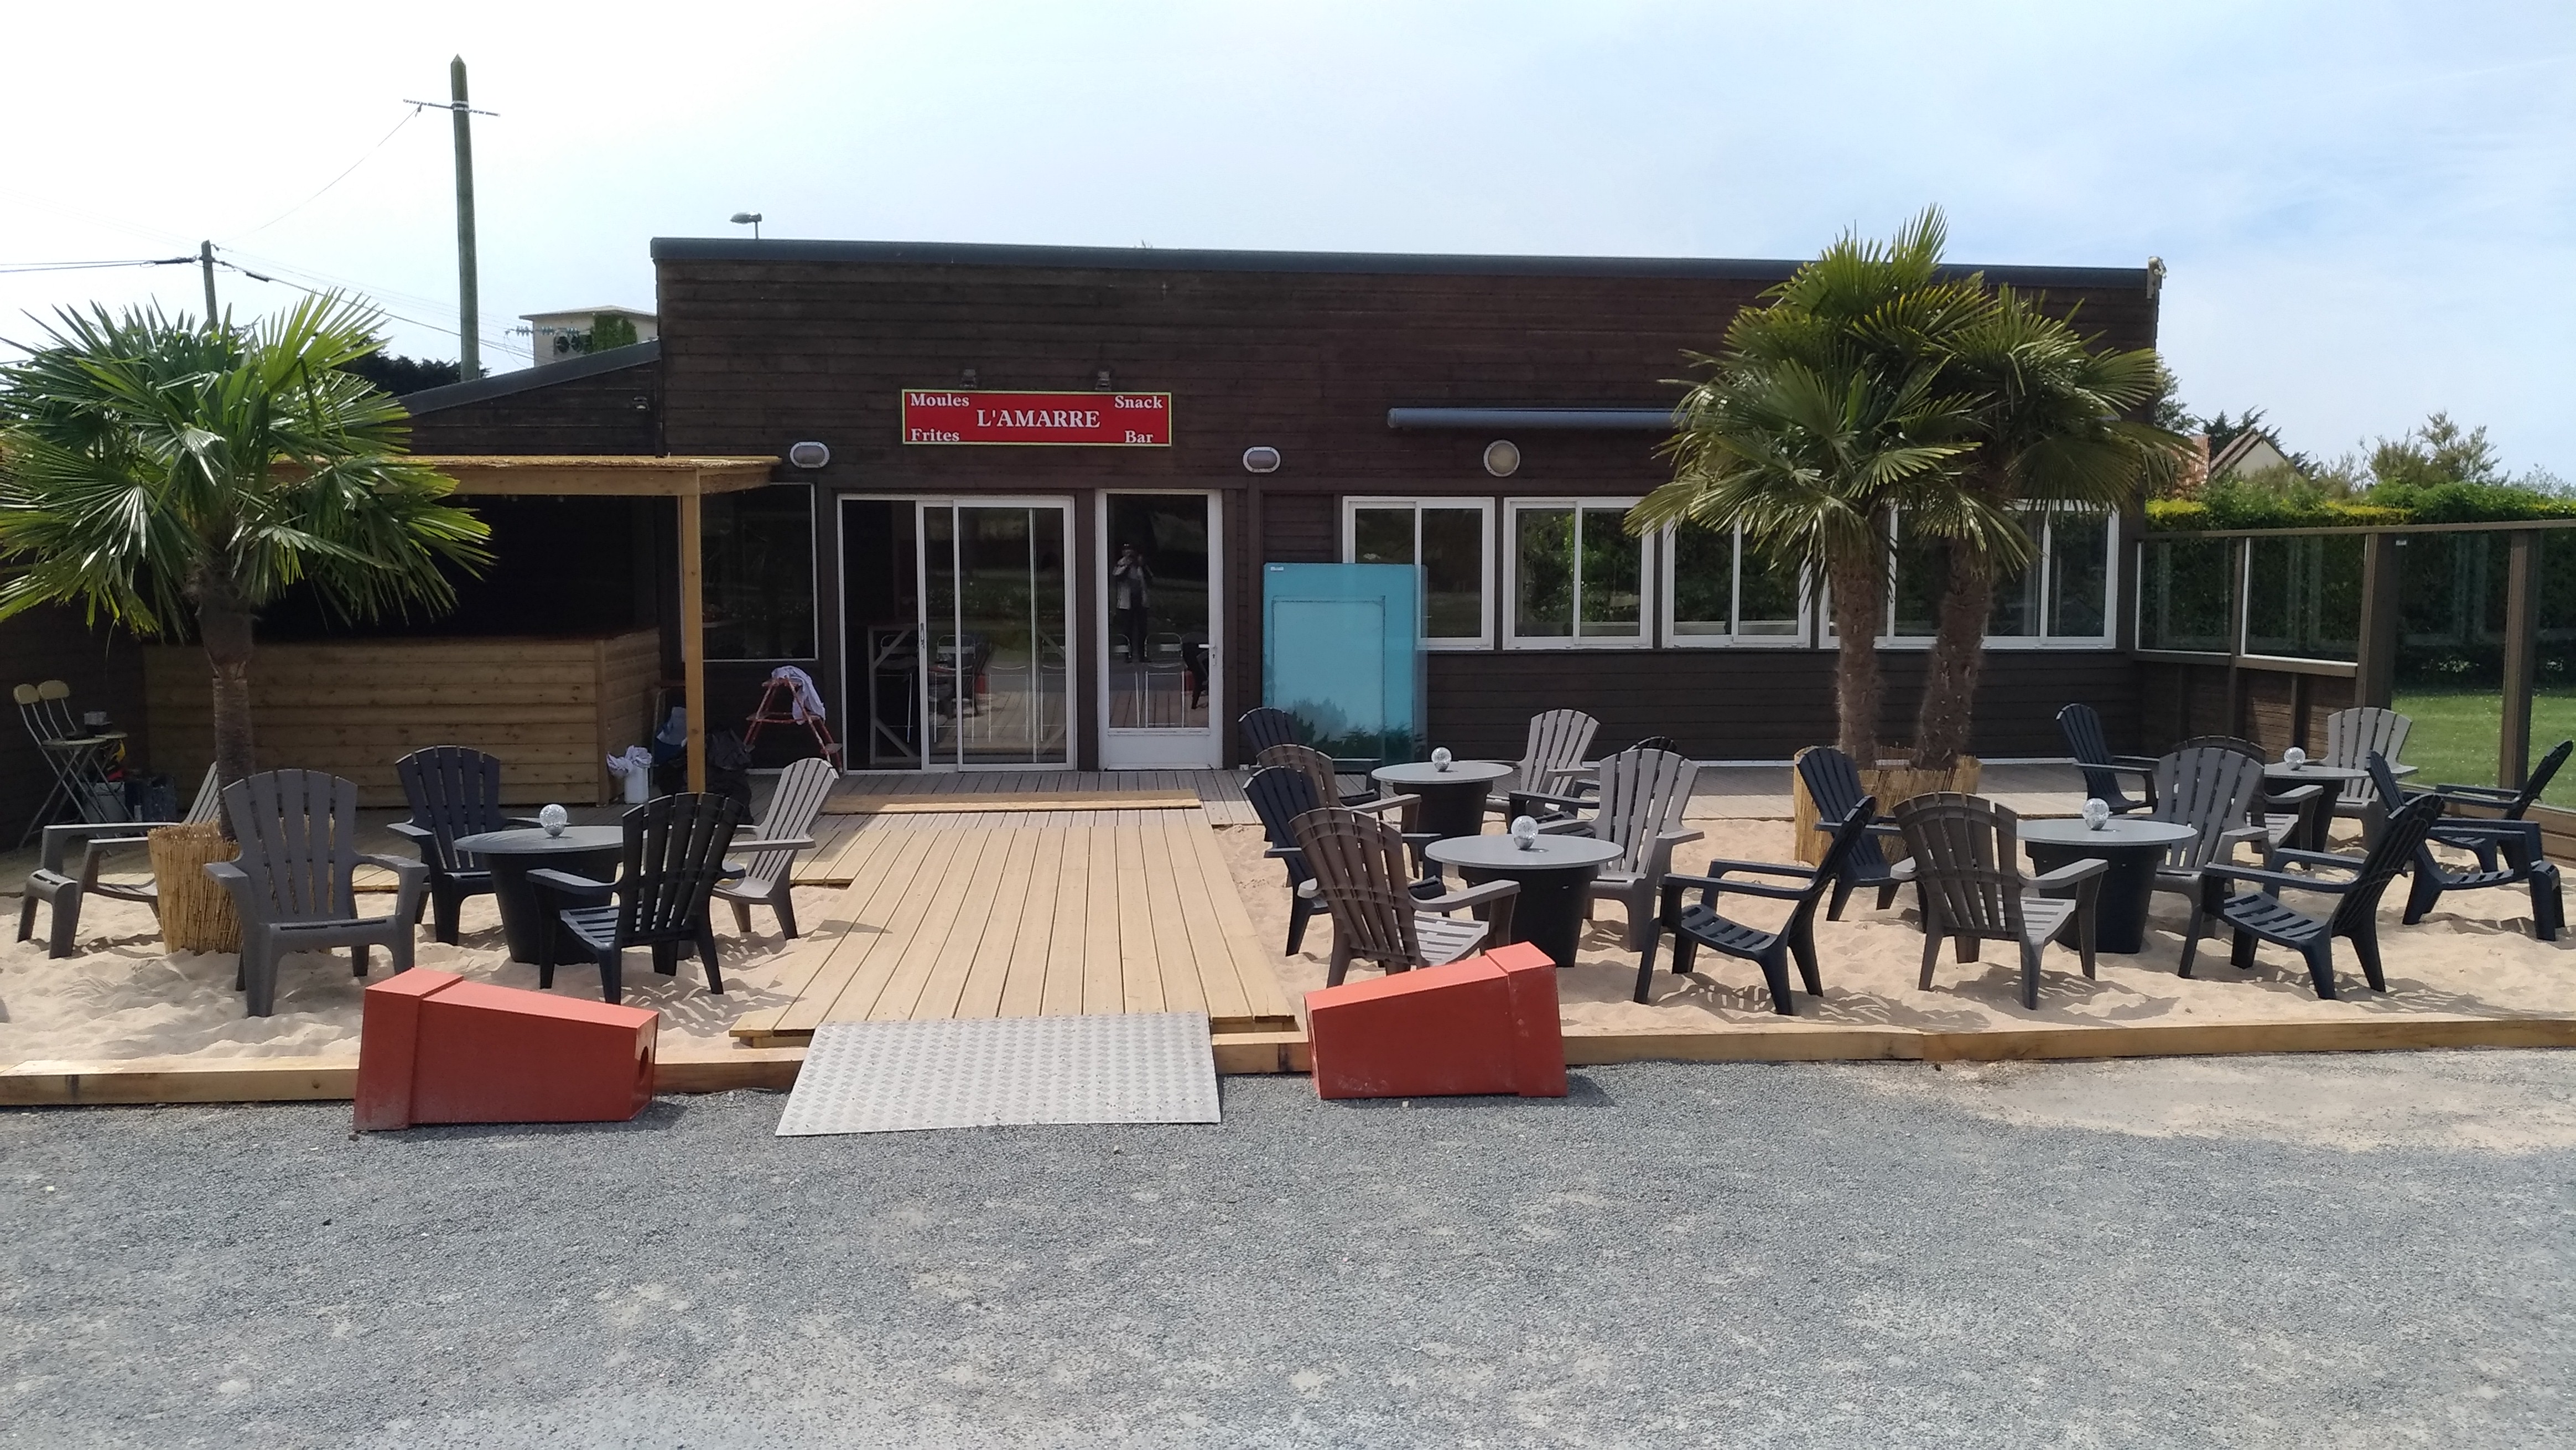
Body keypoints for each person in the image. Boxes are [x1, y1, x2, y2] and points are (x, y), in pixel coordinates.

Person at [1112, 542, 1153, 665]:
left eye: (1131, 551)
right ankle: (1127, 655)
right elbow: (1118, 577)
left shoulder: (1141, 566)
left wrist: (1142, 565)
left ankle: (1142, 654)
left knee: (1142, 630)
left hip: (1140, 602)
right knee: (1127, 630)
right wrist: (1127, 565)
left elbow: (1150, 579)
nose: (1129, 553)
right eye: (1126, 551)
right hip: (1127, 603)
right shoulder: (1121, 564)